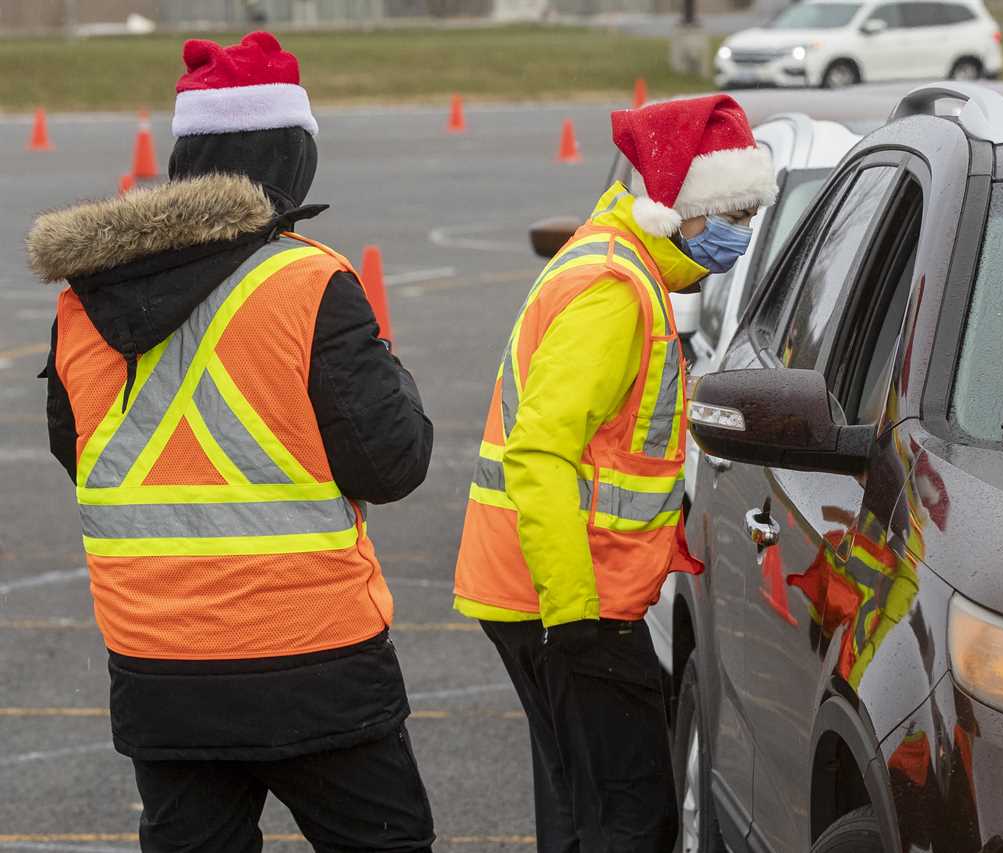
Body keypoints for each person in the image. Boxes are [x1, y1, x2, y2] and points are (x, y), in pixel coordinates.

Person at [27, 32, 435, 853]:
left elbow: (82, 453)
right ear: (291, 156)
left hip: (159, 667)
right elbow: (393, 460)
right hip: (316, 659)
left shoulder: (81, 305)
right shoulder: (306, 282)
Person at [453, 94, 778, 852]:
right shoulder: (613, 292)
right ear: (676, 208)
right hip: (567, 600)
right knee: (634, 817)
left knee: (583, 810)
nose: (743, 233)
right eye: (730, 213)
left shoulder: (623, 264)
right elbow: (539, 454)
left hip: (547, 589)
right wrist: (575, 619)